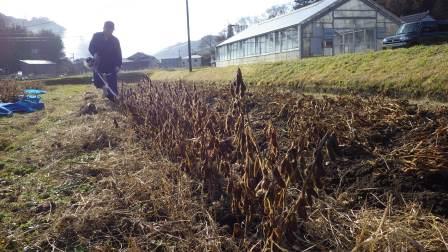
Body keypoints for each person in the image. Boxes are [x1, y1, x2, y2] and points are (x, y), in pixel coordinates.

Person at [88, 21, 122, 101]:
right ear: (103, 28)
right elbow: (91, 47)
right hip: (99, 62)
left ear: (113, 30)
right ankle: (104, 89)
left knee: (112, 83)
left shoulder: (115, 40)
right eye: (107, 29)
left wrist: (118, 65)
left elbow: (118, 53)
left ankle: (113, 99)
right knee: (97, 81)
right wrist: (95, 53)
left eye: (110, 30)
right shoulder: (96, 36)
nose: (108, 32)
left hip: (111, 63)